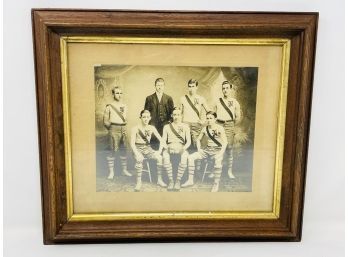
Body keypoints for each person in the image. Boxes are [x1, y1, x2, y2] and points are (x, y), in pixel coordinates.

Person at [184, 111, 227, 192]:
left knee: (218, 160)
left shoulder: (220, 128)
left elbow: (225, 142)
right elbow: (198, 140)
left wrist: (221, 153)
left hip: (217, 150)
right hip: (207, 150)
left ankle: (216, 183)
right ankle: (190, 180)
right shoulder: (205, 129)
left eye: (211, 118)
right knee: (190, 157)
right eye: (207, 118)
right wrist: (199, 149)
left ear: (215, 119)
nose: (209, 120)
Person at [130, 110, 167, 192]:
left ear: (150, 118)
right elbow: (132, 144)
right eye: (144, 117)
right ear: (140, 118)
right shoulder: (135, 128)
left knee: (160, 158)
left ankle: (159, 180)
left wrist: (159, 151)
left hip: (148, 148)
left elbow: (162, 140)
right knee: (139, 159)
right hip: (137, 148)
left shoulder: (152, 128)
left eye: (147, 117)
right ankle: (139, 182)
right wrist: (137, 153)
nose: (146, 119)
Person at [213, 80, 242, 179]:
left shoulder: (235, 102)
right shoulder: (218, 101)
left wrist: (230, 125)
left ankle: (229, 171)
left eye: (227, 88)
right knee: (217, 147)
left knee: (229, 148)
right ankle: (215, 169)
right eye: (223, 88)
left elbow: (238, 117)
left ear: (230, 89)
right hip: (219, 125)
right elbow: (213, 116)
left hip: (229, 125)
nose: (225, 90)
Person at [103, 86, 132, 179]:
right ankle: (111, 172)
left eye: (120, 93)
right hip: (113, 129)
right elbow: (105, 121)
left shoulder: (125, 106)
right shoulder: (109, 106)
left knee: (124, 150)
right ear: (113, 94)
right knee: (112, 150)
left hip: (123, 129)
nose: (119, 95)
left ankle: (124, 170)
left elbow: (125, 118)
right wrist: (112, 129)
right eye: (117, 93)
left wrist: (122, 125)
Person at [160, 107, 191, 191]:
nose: (176, 117)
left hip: (181, 147)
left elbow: (188, 142)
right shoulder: (166, 127)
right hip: (170, 147)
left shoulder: (185, 126)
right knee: (165, 157)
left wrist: (183, 149)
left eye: (178, 115)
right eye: (174, 115)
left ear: (181, 115)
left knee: (184, 157)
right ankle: (171, 180)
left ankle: (178, 180)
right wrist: (167, 148)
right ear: (172, 115)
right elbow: (163, 141)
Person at [180, 79, 208, 149]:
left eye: (193, 86)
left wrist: (204, 121)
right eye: (189, 86)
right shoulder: (183, 98)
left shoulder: (201, 98)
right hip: (185, 124)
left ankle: (197, 160)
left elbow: (209, 112)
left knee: (196, 145)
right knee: (185, 145)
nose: (191, 89)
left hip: (196, 124)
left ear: (196, 87)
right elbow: (180, 113)